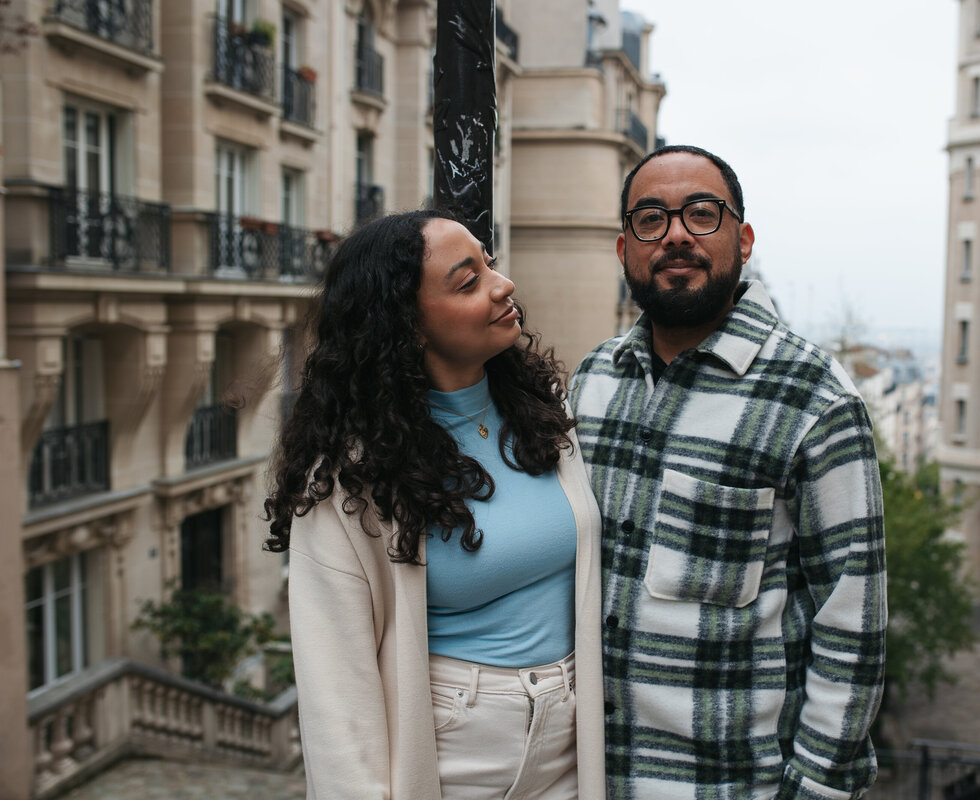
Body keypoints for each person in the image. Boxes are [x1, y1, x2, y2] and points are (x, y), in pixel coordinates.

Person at [570, 146, 887, 800]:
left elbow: (852, 626)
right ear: (624, 248)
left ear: (742, 239)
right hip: (593, 780)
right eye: (651, 218)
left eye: (702, 214)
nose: (677, 234)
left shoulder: (814, 398)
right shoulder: (592, 381)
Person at [264, 209, 605, 799]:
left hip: (571, 740)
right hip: (452, 750)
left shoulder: (546, 414)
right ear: (408, 325)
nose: (503, 285)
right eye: (467, 280)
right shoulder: (351, 477)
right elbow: (336, 693)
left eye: (490, 265)